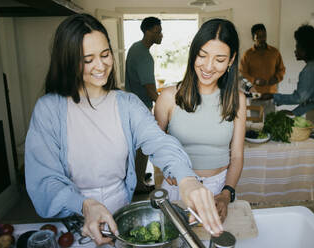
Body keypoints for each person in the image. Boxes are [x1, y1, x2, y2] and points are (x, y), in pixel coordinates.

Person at [25, 14, 224, 247]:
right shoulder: (49, 109)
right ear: (68, 61)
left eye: (105, 54)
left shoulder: (126, 104)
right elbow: (45, 179)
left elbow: (159, 142)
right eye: (88, 59)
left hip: (121, 213)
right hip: (74, 218)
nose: (100, 66)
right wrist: (85, 204)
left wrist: (186, 179)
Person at [155, 19, 246, 222]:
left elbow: (237, 156)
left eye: (219, 59)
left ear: (231, 60)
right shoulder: (169, 97)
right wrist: (166, 167)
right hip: (178, 186)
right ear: (193, 53)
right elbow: (155, 145)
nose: (208, 66)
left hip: (218, 188)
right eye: (202, 55)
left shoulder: (237, 99)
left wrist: (226, 193)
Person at [125, 17, 163, 193]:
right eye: (157, 31)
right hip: (141, 107)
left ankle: (137, 176)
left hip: (132, 105)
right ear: (148, 31)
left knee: (136, 147)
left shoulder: (135, 48)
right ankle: (139, 184)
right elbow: (149, 88)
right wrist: (164, 104)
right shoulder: (144, 56)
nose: (160, 34)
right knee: (142, 148)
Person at [240, 23, 285, 116]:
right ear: (253, 38)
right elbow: (242, 73)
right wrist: (254, 80)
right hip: (255, 97)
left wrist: (277, 78)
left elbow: (281, 69)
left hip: (271, 96)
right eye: (258, 37)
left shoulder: (274, 52)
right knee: (256, 126)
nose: (262, 39)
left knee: (271, 125)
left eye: (264, 36)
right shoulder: (247, 54)